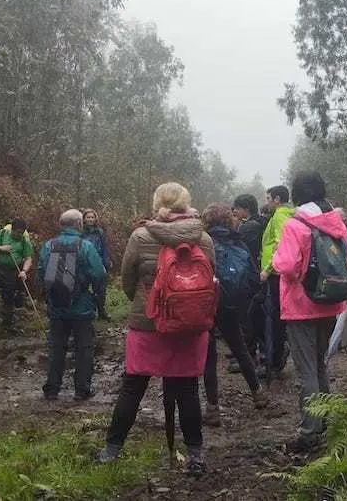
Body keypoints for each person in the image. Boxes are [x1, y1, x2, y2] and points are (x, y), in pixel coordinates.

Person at [98, 183, 214, 475]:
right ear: (186, 204)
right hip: (188, 326)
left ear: (156, 203)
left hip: (147, 325)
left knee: (132, 388)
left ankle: (111, 450)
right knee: (187, 391)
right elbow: (212, 281)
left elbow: (126, 279)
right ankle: (196, 455)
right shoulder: (204, 238)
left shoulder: (140, 236)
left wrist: (142, 303)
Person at [272, 171, 347, 452]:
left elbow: (286, 266)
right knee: (319, 365)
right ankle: (325, 420)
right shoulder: (336, 221)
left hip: (301, 305)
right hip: (330, 301)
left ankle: (309, 432)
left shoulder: (296, 224)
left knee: (306, 370)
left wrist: (274, 257)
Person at [201, 204, 268, 426]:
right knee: (239, 348)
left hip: (208, 304)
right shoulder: (236, 240)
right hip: (231, 306)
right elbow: (252, 275)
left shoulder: (203, 241)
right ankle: (258, 393)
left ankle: (212, 409)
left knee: (209, 357)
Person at [40, 209, 107, 401]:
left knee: (56, 347)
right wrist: (95, 293)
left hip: (56, 307)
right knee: (84, 348)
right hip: (82, 307)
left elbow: (41, 271)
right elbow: (99, 274)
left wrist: (49, 295)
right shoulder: (85, 246)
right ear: (79, 224)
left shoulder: (48, 246)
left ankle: (52, 389)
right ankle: (81, 390)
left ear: (61, 225)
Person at [259, 185, 295, 379]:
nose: (267, 202)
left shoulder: (281, 216)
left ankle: (275, 359)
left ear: (277, 199)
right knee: (276, 317)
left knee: (275, 318)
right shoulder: (284, 214)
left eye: (268, 198)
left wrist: (268, 269)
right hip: (277, 273)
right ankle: (276, 356)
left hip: (276, 274)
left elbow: (282, 245)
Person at [232, 194, 268, 372]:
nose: (235, 212)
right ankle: (258, 354)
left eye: (237, 208)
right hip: (259, 275)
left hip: (251, 277)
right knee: (256, 317)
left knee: (248, 318)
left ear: (245, 208)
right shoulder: (260, 222)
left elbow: (238, 246)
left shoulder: (249, 227)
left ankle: (249, 358)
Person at [81, 209, 113, 321]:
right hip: (84, 263)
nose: (90, 219)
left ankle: (101, 311)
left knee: (100, 289)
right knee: (83, 287)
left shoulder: (99, 232)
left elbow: (104, 247)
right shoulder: (81, 232)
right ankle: (86, 311)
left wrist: (106, 261)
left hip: (97, 261)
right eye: (88, 217)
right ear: (84, 219)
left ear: (95, 219)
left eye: (92, 217)